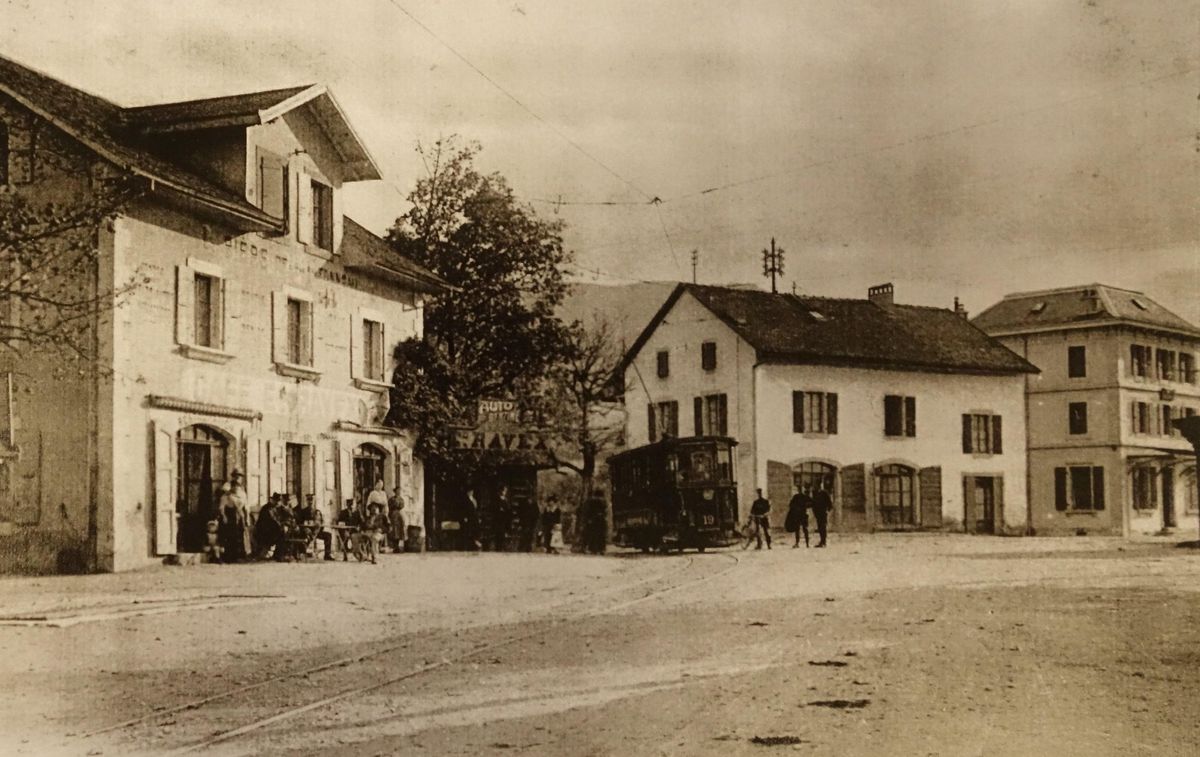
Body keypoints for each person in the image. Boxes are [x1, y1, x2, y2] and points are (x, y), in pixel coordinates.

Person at [217, 471, 249, 562]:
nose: (236, 488)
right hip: (230, 515)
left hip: (239, 515)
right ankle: (229, 556)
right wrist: (224, 516)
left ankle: (239, 555)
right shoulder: (227, 491)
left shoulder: (242, 493)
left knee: (240, 534)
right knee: (230, 535)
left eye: (240, 476)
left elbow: (246, 506)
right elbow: (222, 506)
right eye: (237, 476)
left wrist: (246, 517)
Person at [298, 494, 334, 561]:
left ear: (313, 501)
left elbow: (322, 522)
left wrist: (319, 528)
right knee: (304, 536)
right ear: (306, 501)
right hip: (307, 531)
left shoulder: (317, 512)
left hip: (316, 532)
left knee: (328, 535)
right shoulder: (303, 512)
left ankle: (327, 554)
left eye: (311, 500)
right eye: (309, 500)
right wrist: (305, 528)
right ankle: (304, 552)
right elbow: (300, 522)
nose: (310, 502)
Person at [786, 485, 811, 549]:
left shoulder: (806, 497)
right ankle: (797, 543)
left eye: (801, 489)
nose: (800, 491)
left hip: (803, 515)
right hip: (798, 515)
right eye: (799, 489)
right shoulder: (796, 497)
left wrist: (806, 506)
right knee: (797, 529)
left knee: (805, 529)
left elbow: (811, 503)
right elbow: (791, 505)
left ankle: (807, 543)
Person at [812, 481, 832, 548]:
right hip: (818, 513)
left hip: (823, 513)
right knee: (820, 527)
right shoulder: (815, 493)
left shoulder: (824, 493)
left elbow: (829, 503)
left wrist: (828, 510)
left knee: (823, 527)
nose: (815, 487)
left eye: (816, 486)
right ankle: (822, 541)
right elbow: (813, 503)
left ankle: (823, 542)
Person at [492, 486, 511, 552]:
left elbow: (508, 510)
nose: (504, 492)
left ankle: (501, 548)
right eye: (503, 491)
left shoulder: (506, 500)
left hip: (504, 520)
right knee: (498, 535)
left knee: (503, 535)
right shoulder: (497, 499)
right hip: (498, 520)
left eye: (505, 491)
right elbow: (494, 509)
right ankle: (498, 548)